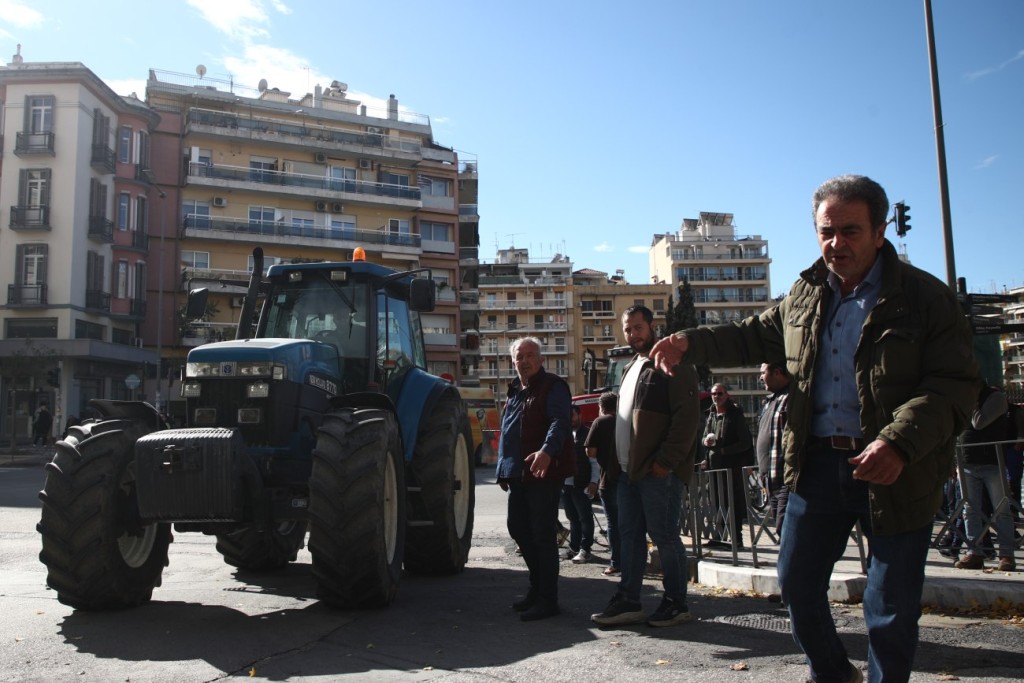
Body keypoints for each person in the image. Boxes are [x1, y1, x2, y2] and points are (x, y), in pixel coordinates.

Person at [649, 174, 980, 682]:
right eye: (826, 231)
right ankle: (832, 673)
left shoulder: (925, 299)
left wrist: (897, 443)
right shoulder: (805, 294)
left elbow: (953, 387)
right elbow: (750, 337)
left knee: (889, 606)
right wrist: (688, 342)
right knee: (798, 586)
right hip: (818, 466)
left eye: (850, 231)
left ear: (880, 230)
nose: (836, 243)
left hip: (898, 471)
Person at [591, 305, 701, 628]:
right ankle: (628, 600)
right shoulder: (632, 367)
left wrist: (665, 462)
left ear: (652, 326)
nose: (633, 334)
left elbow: (687, 418)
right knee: (629, 537)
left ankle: (676, 603)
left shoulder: (672, 361)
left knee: (665, 538)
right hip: (628, 473)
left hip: (657, 473)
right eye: (627, 329)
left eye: (638, 327)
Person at [496, 336, 575, 621]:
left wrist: (546, 451)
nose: (524, 360)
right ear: (512, 361)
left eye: (530, 355)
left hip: (543, 473)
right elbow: (507, 431)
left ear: (540, 359)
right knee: (518, 528)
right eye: (519, 356)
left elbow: (560, 422)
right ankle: (537, 587)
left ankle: (547, 598)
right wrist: (502, 469)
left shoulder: (553, 386)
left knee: (542, 536)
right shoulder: (515, 390)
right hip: (517, 474)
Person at [954, 385, 1016, 572]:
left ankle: (1006, 555)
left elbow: (978, 422)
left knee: (1001, 510)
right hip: (967, 462)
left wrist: (969, 399)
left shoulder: (995, 398)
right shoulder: (961, 398)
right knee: (970, 510)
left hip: (992, 462)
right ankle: (974, 553)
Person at [701, 383, 754, 549]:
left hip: (731, 468)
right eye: (714, 394)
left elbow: (745, 442)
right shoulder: (710, 414)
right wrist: (705, 442)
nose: (716, 397)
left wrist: (723, 451)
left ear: (727, 395)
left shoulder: (735, 414)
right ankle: (719, 537)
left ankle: (736, 539)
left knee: (732, 502)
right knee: (715, 502)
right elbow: (704, 437)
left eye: (720, 394)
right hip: (713, 467)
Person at [586, 392, 621, 576]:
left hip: (608, 479)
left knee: (613, 524)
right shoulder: (626, 421)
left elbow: (590, 452)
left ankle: (616, 563)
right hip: (629, 479)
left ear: (601, 406)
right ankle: (633, 561)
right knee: (630, 523)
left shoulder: (600, 422)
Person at [756, 362, 791, 537]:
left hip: (787, 480)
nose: (760, 377)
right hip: (771, 480)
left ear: (777, 372)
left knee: (786, 529)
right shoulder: (770, 401)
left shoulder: (791, 398)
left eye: (763, 373)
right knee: (782, 529)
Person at [562, 405, 598, 564]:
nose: (571, 419)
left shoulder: (587, 434)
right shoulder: (564, 434)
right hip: (566, 484)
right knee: (572, 518)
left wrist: (593, 481)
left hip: (581, 483)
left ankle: (586, 549)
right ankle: (574, 548)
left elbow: (594, 461)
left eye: (573, 415)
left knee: (585, 518)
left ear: (579, 415)